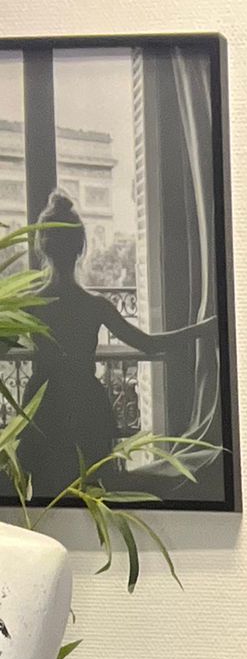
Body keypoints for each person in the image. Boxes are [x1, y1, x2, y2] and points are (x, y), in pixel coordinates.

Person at [16, 189, 215, 501]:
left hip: (43, 407)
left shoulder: (30, 304)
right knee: (91, 493)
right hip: (86, 406)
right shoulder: (95, 305)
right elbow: (148, 344)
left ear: (42, 247)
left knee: (45, 498)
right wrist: (201, 330)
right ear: (80, 248)